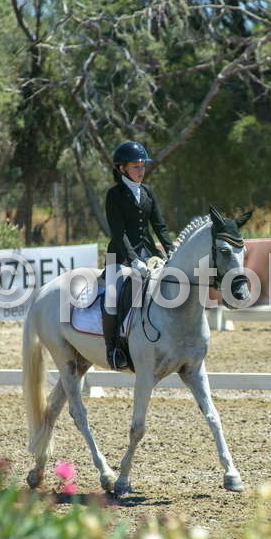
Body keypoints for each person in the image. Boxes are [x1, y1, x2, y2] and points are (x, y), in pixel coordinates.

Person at [103, 140, 174, 370]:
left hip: (150, 254)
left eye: (143, 166)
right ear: (122, 168)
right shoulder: (114, 195)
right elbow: (118, 233)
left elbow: (159, 226)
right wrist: (134, 259)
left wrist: (171, 250)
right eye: (136, 166)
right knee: (112, 299)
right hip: (120, 255)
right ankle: (114, 349)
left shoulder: (148, 191)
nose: (141, 170)